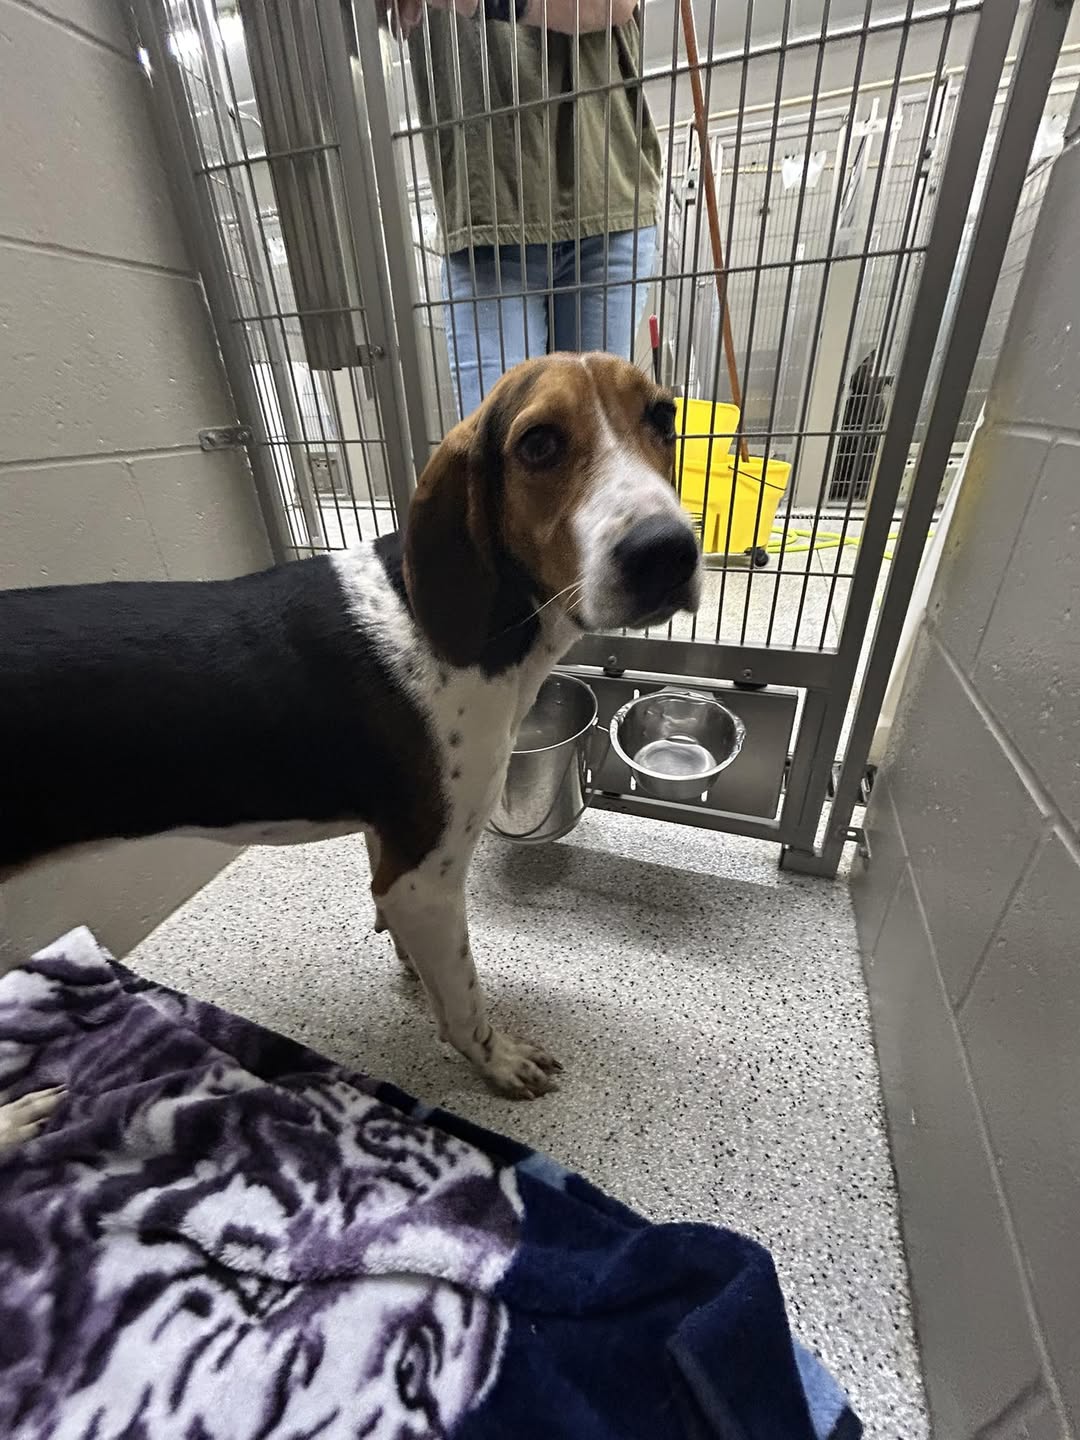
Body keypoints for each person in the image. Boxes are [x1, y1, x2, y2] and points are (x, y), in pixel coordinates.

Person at [385, 0, 662, 417]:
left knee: (598, 434)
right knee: (495, 436)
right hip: (484, 209)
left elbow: (617, 4)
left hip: (603, 190)